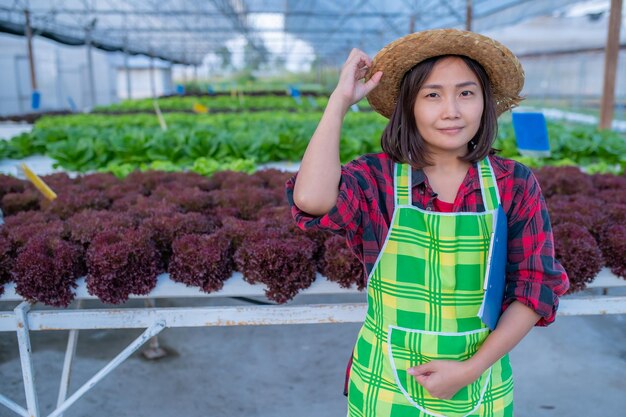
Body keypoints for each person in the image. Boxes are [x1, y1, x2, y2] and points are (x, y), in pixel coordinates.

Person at [285, 29, 569, 417]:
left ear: (485, 103)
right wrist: (339, 103)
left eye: (466, 93)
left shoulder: (512, 183)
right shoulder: (377, 180)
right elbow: (311, 200)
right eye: (432, 95)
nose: (451, 110)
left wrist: (470, 369)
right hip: (385, 384)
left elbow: (534, 288)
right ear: (410, 106)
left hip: (480, 382)